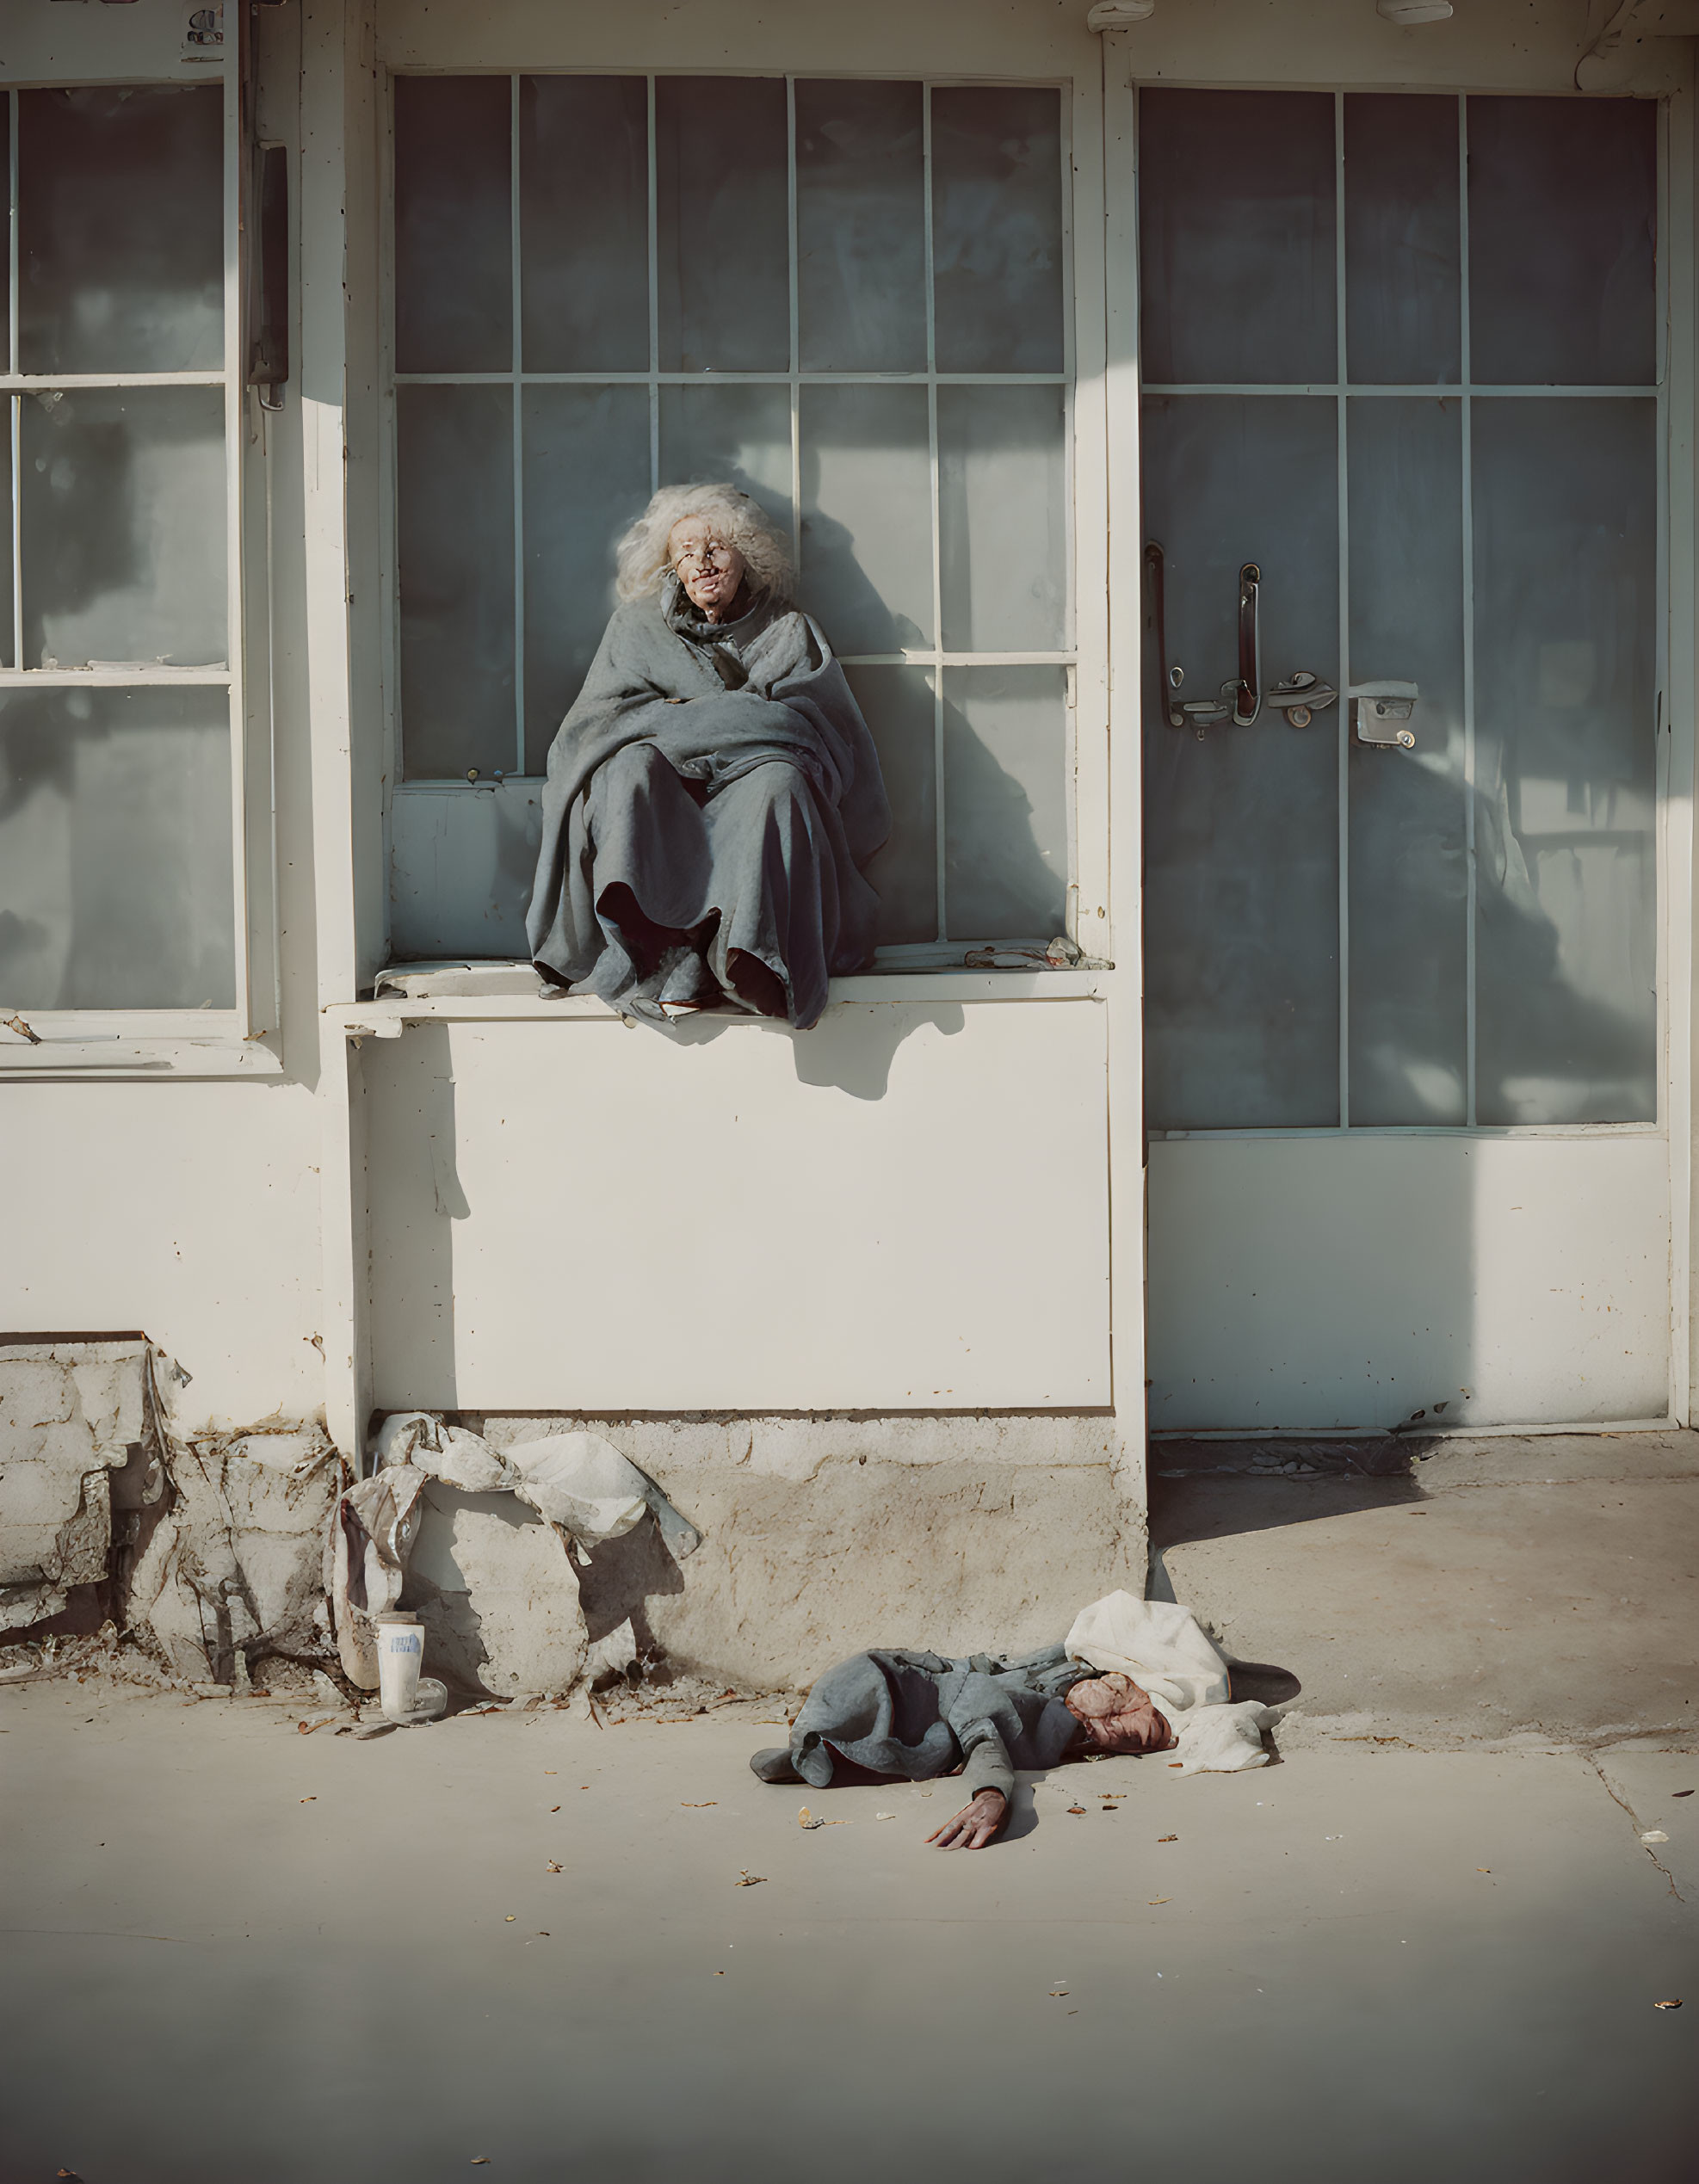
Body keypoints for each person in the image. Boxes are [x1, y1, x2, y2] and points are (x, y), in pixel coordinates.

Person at [526, 484, 892, 1029]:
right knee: (629, 768)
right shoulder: (635, 631)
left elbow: (810, 735)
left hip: (753, 801)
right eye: (686, 552)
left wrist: (676, 718)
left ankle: (743, 959)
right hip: (665, 813)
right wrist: (742, 717)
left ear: (748, 553)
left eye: (717, 546)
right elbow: (592, 734)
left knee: (779, 779)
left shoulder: (790, 632)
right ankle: (659, 954)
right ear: (670, 566)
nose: (701, 563)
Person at [749, 1642, 1177, 1851]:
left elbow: (983, 1729)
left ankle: (819, 1750)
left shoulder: (1038, 1696)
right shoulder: (990, 1699)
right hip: (897, 1680)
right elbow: (982, 1730)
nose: (1124, 1733)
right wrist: (991, 1791)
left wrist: (991, 1791)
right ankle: (818, 1749)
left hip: (917, 1684)